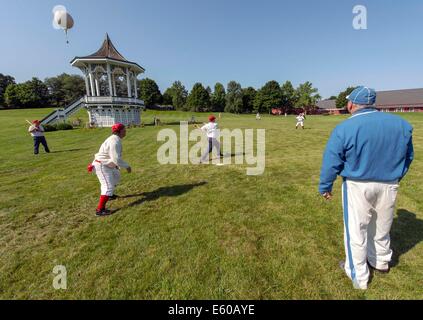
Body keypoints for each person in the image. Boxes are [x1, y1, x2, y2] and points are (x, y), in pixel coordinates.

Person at [319, 86, 414, 290]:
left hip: (357, 184)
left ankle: (358, 274)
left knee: (356, 230)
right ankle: (381, 262)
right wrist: (396, 175)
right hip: (389, 183)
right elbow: (408, 157)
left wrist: (325, 185)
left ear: (352, 104)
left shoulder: (346, 127)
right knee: (381, 226)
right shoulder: (401, 124)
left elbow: (332, 159)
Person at [91, 123, 132, 216]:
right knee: (108, 186)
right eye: (124, 130)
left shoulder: (115, 139)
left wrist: (116, 165)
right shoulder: (114, 141)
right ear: (120, 131)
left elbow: (113, 157)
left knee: (116, 177)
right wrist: (127, 166)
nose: (125, 131)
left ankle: (110, 195)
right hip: (102, 165)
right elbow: (116, 159)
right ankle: (100, 210)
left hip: (107, 164)